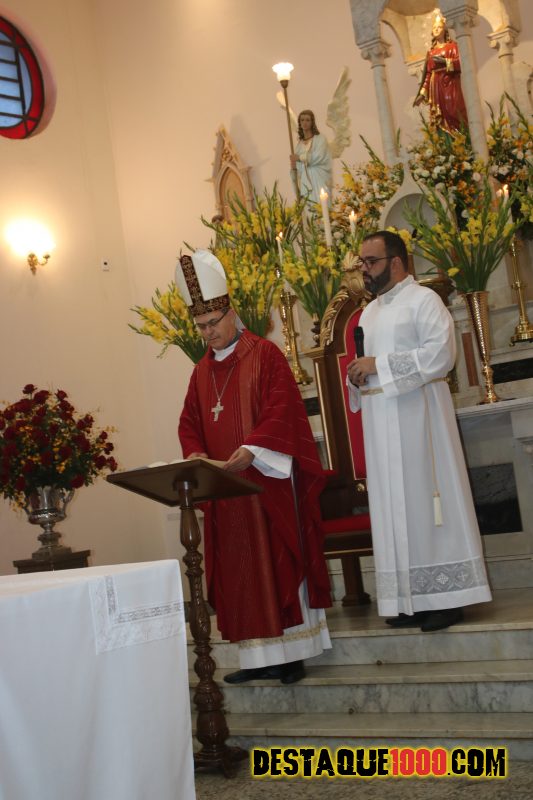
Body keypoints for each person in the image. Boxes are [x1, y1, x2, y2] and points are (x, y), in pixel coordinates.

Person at [176, 250, 332, 684]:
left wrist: (253, 449)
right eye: (201, 327)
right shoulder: (200, 373)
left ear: (232, 314)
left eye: (213, 323)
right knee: (239, 572)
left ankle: (293, 654)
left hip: (266, 484)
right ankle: (257, 658)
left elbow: (283, 410)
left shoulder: (265, 355)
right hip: (226, 492)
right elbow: (190, 422)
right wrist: (195, 455)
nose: (208, 333)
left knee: (276, 561)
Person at [346, 231, 491, 632]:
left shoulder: (425, 301)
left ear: (396, 262)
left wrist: (379, 365)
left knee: (428, 506)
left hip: (420, 423)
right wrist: (357, 376)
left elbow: (441, 355)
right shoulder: (369, 313)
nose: (364, 270)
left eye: (371, 262)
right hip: (381, 425)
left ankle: (447, 599)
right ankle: (409, 598)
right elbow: (367, 364)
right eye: (362, 262)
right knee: (394, 509)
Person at [414, 11, 468, 133]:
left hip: (450, 84)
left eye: (439, 27)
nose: (436, 29)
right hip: (436, 87)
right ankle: (444, 142)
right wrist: (422, 93)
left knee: (454, 111)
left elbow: (461, 64)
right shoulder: (431, 52)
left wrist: (445, 62)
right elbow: (428, 74)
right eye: (434, 27)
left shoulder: (453, 46)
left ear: (445, 30)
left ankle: (461, 139)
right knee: (440, 117)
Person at [290, 109, 332, 203]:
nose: (304, 123)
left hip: (318, 177)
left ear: (312, 122)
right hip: (305, 181)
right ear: (299, 123)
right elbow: (299, 169)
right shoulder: (299, 145)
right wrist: (293, 168)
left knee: (320, 203)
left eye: (307, 120)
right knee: (308, 205)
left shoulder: (320, 139)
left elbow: (319, 156)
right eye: (302, 120)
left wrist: (299, 158)